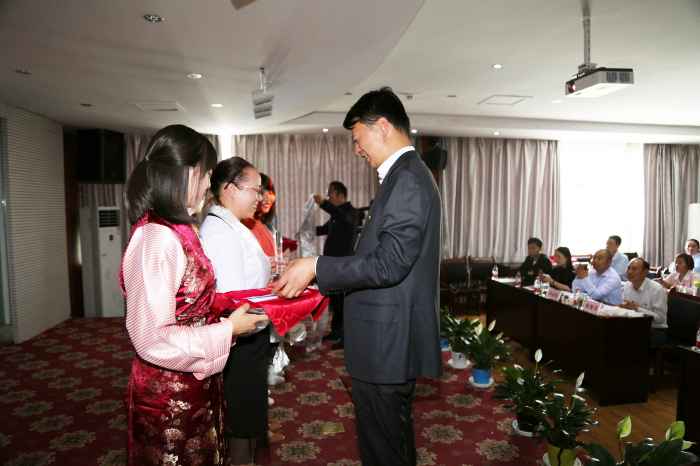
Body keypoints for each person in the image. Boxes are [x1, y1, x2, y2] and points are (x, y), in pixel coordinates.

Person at [273, 87, 443, 466]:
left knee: (383, 450)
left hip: (387, 344)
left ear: (381, 126)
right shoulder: (403, 176)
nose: (356, 150)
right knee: (393, 444)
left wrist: (317, 266)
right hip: (388, 341)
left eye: (356, 138)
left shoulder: (407, 179)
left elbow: (389, 263)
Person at [120, 125, 268, 466]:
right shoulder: (156, 237)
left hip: (194, 382)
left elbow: (190, 304)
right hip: (169, 394)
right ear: (187, 172)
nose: (207, 184)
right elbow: (152, 338)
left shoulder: (178, 229)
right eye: (206, 174)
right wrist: (229, 330)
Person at [199, 158, 284, 465]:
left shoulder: (233, 223)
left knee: (248, 416)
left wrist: (268, 274)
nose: (260, 198)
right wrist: (282, 301)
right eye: (255, 189)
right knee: (241, 419)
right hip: (240, 340)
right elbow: (235, 299)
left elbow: (245, 276)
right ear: (232, 190)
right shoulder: (221, 231)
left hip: (249, 336)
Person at [314, 181, 360, 349]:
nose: (328, 199)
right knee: (335, 299)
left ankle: (346, 335)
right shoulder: (337, 214)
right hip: (332, 263)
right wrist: (307, 230)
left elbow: (344, 218)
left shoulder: (351, 212)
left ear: (341, 196)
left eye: (330, 196)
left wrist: (323, 203)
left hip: (343, 263)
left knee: (343, 300)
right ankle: (336, 330)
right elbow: (324, 229)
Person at [619, 258, 667, 348]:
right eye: (628, 268)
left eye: (634, 269)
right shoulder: (627, 285)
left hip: (653, 330)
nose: (629, 272)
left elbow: (660, 318)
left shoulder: (657, 290)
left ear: (645, 272)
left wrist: (637, 309)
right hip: (634, 326)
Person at [242, 173, 277, 257]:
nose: (267, 198)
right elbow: (256, 259)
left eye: (270, 192)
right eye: (261, 192)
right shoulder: (250, 223)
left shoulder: (259, 222)